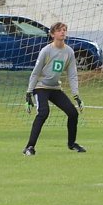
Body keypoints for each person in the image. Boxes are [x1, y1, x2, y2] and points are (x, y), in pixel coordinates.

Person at [22, 22, 85, 156]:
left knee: (73, 113)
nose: (62, 32)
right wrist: (28, 93)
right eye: (59, 30)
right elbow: (35, 72)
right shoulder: (46, 51)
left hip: (55, 88)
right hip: (40, 87)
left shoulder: (69, 52)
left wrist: (76, 95)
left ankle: (72, 144)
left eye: (64, 30)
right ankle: (29, 147)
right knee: (44, 112)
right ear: (52, 34)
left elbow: (72, 75)